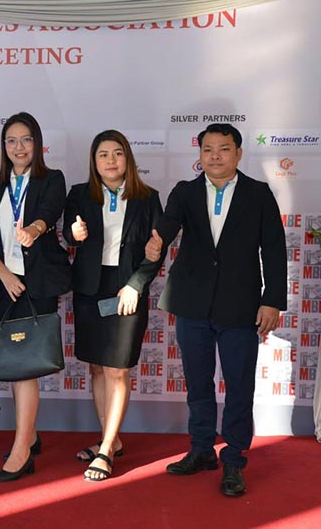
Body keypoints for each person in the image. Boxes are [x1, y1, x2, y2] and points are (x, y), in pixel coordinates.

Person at [144, 123, 286, 497]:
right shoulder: (185, 191)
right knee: (198, 383)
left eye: (223, 149)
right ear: (200, 154)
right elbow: (168, 224)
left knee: (239, 385)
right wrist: (157, 242)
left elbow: (274, 249)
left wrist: (272, 299)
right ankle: (202, 449)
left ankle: (234, 459)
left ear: (238, 153)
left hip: (240, 305)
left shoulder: (258, 194)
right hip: (192, 304)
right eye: (207, 149)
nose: (215, 156)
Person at [63, 129, 163, 482]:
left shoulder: (148, 198)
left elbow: (156, 250)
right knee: (96, 368)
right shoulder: (79, 194)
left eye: (117, 153)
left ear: (127, 159)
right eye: (103, 154)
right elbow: (67, 233)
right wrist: (73, 234)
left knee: (117, 370)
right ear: (94, 161)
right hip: (90, 289)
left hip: (127, 289)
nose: (110, 160)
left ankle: (105, 450)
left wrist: (136, 285)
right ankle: (112, 438)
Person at [0, 112, 71, 482]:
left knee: (27, 367)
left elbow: (48, 215)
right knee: (12, 364)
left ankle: (22, 449)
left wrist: (33, 230)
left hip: (37, 283)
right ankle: (30, 435)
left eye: (26, 139)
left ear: (37, 143)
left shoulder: (52, 179)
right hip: (4, 283)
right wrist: (4, 274)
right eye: (11, 141)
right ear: (4, 147)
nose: (18, 147)